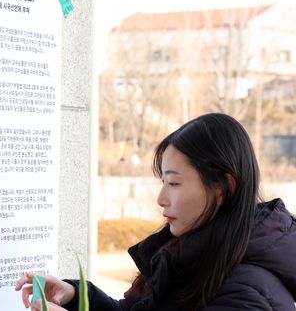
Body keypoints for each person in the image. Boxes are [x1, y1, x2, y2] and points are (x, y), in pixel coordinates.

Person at [15, 113, 296, 310]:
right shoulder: (189, 254)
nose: (161, 198)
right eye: (164, 182)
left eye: (174, 183)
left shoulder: (245, 290)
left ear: (223, 187)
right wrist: (76, 296)